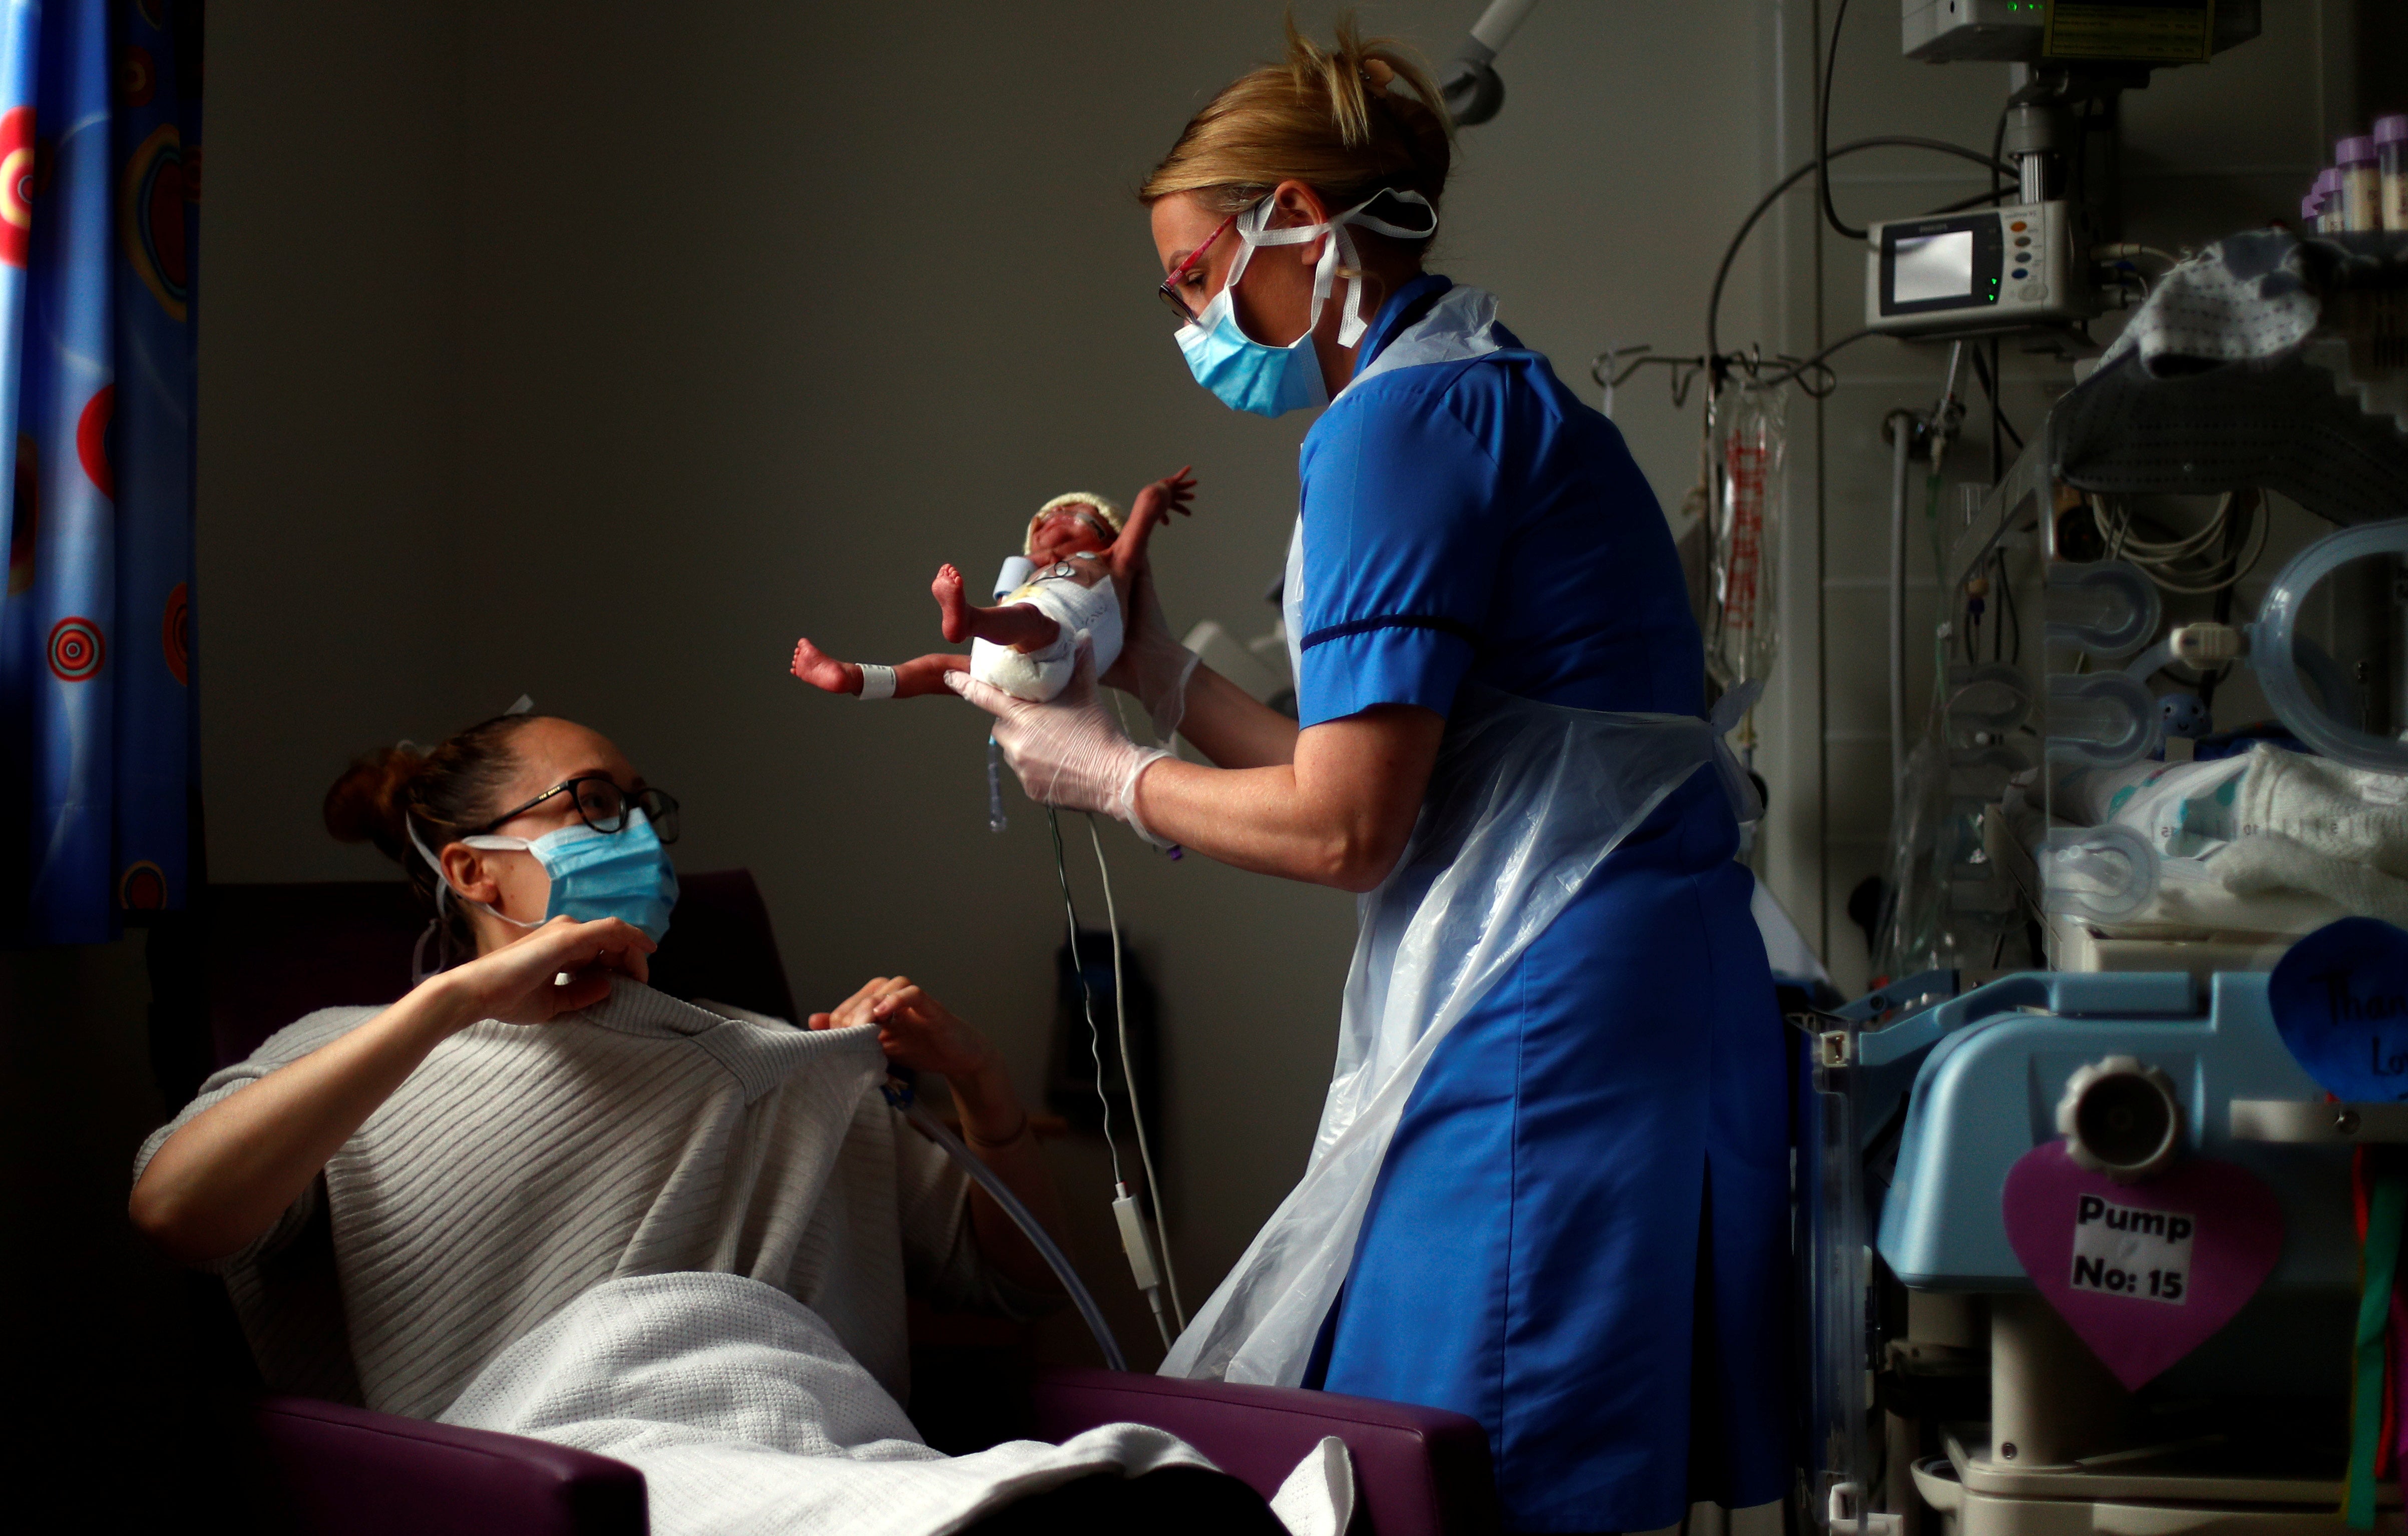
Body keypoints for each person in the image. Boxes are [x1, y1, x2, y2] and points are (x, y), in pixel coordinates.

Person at [948, 20, 1790, 1534]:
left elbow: (1349, 827)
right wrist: (1163, 682)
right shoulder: (1481, 389)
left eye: (1194, 275)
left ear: (1301, 220)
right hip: (1621, 975)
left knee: (1480, 1470)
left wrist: (1100, 773)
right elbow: (1421, 787)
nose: (1186, 316)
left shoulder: (1393, 432)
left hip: (1547, 1010)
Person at [126, 709, 1290, 1535]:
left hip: (828, 1445)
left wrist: (979, 1083)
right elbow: (178, 1211)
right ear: (476, 874)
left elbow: (1021, 1284)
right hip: (572, 1461)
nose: (633, 827)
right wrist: (453, 1005)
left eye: (639, 804)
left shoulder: (780, 1062)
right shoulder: (352, 1059)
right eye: (593, 802)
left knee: (1135, 1484)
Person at [787, 472, 1194, 703]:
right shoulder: (1028, 580)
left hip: (1061, 654)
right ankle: (853, 677)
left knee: (1033, 620)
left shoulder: (1115, 564)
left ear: (1110, 538)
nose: (1056, 516)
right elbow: (1013, 585)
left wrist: (1162, 492)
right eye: (1044, 520)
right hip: (1001, 654)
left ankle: (969, 618)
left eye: (1077, 517)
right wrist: (1030, 565)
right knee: (934, 670)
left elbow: (1144, 506)